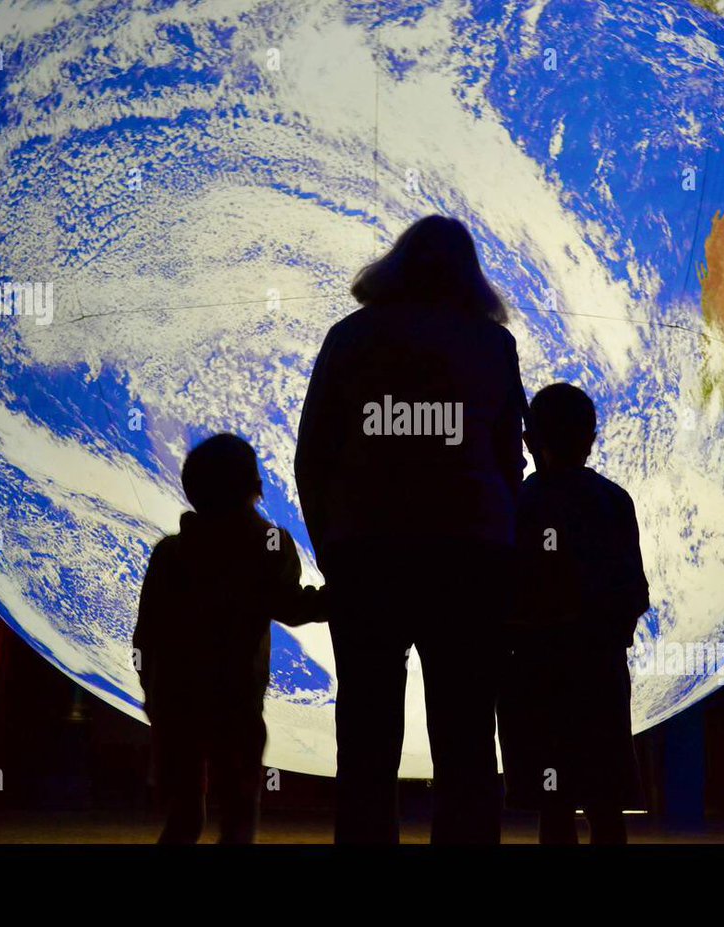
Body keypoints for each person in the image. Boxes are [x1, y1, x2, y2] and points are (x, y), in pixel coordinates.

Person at [295, 215, 527, 844]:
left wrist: (333, 553)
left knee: (366, 733)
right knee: (468, 733)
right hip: (471, 560)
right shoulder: (491, 345)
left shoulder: (350, 337)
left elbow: (313, 454)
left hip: (368, 557)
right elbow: (511, 460)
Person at [133, 433, 323, 844]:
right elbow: (292, 607)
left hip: (175, 705)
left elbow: (145, 637)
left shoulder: (168, 555)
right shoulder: (268, 547)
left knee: (184, 819)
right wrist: (342, 597)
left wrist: (154, 698)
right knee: (239, 815)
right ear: (255, 485)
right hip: (235, 705)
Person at [498, 383, 650, 845]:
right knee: (605, 807)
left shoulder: (516, 505)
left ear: (529, 441)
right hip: (598, 677)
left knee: (554, 805)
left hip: (535, 679)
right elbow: (633, 593)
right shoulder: (613, 501)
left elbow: (504, 595)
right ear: (590, 437)